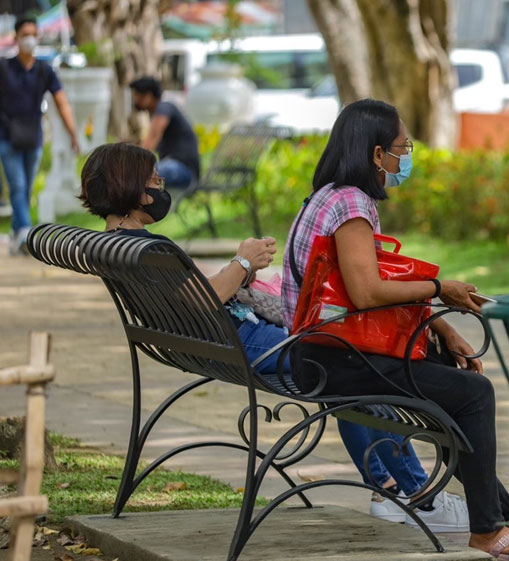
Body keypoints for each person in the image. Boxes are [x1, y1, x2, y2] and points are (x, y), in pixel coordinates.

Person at [77, 142, 467, 532]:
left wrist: (241, 275)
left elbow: (191, 301)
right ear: (131, 188)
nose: (160, 186)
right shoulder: (149, 249)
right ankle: (421, 495)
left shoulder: (116, 243)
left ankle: (386, 488)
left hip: (218, 346)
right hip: (246, 345)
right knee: (357, 367)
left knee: (347, 371)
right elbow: (204, 300)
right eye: (153, 180)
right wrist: (243, 260)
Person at [282, 99, 509, 559]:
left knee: (460, 380)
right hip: (333, 360)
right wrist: (440, 287)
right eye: (402, 148)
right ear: (376, 154)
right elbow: (366, 292)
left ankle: (506, 513)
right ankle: (487, 530)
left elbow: (360, 288)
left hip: (327, 350)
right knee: (475, 395)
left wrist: (441, 330)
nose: (406, 158)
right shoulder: (351, 203)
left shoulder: (328, 194)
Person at [0, 16, 80, 254]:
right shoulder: (4, 67)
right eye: (24, 35)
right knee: (17, 185)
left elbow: (61, 101)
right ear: (16, 38)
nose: (29, 40)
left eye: (33, 34)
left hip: (33, 137)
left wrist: (73, 133)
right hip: (6, 136)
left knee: (26, 189)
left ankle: (17, 234)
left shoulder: (45, 70)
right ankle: (25, 232)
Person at [128, 76, 200, 190]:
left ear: (149, 95)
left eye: (137, 95)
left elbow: (151, 141)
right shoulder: (160, 110)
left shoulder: (164, 108)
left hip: (183, 171)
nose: (134, 99)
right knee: (140, 174)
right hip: (177, 169)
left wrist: (127, 163)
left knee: (138, 174)